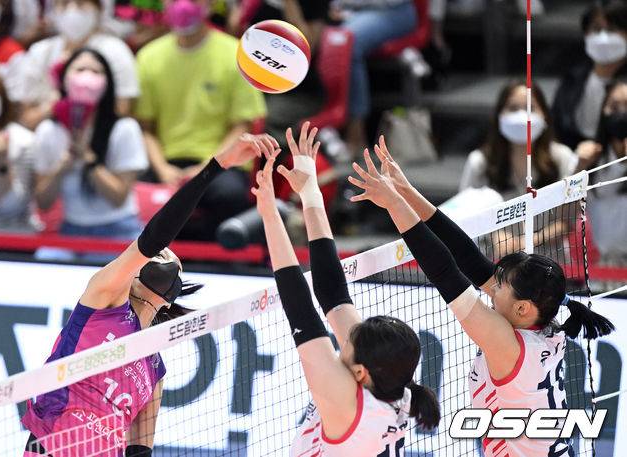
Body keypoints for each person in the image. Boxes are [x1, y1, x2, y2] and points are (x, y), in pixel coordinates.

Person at [348, 137, 615, 457]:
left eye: (500, 286)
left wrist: (394, 205)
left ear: (522, 307)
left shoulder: (508, 344)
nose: (491, 287)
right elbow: (470, 260)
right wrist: (406, 191)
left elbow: (445, 272)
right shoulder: (543, 316)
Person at [21, 129, 277, 455]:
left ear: (170, 294)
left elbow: (140, 450)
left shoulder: (154, 369)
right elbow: (156, 235)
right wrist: (217, 165)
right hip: (52, 447)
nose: (163, 254)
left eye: (170, 258)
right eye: (157, 253)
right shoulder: (104, 299)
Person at [251, 123, 440, 456]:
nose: (344, 335)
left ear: (360, 372)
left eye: (348, 342)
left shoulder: (346, 402)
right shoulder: (393, 385)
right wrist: (310, 191)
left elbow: (301, 310)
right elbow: (333, 292)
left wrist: (269, 214)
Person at [135, 0, 266, 239]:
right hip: (165, 162)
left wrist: (207, 168)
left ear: (211, 4)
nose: (183, 5)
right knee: (131, 193)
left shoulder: (236, 54)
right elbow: (145, 128)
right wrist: (163, 169)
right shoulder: (148, 57)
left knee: (229, 195)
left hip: (221, 163)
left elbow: (242, 126)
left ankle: (216, 258)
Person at [33, 48, 147, 244]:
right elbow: (43, 203)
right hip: (71, 229)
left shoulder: (124, 128)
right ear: (64, 78)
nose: (87, 77)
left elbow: (118, 197)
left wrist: (88, 158)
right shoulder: (48, 130)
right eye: (80, 69)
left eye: (96, 72)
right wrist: (62, 166)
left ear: (107, 83)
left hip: (120, 229)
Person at [14, 0, 139, 127]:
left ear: (99, 9)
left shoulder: (116, 50)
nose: (72, 10)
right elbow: (26, 118)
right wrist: (58, 103)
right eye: (64, 3)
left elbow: (122, 111)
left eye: (81, 3)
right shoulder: (40, 51)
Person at [229, 0, 329, 145]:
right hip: (254, 84)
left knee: (263, 120)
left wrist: (289, 3)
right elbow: (234, 34)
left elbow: (308, 49)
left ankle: (280, 154)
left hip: (297, 92)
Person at [461, 81, 578, 200]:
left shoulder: (562, 157)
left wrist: (580, 167)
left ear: (545, 115)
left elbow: (575, 204)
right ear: (499, 116)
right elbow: (464, 207)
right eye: (513, 108)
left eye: (530, 108)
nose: (522, 117)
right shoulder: (479, 162)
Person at [331, 0, 417, 153]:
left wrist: (344, 5)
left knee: (347, 42)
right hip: (350, 9)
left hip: (392, 10)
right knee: (316, 33)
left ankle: (356, 132)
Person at [553, 1, 627, 151]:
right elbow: (557, 127)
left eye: (612, 29)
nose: (603, 37)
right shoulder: (572, 79)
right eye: (596, 29)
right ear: (586, 34)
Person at [0, 59, 36, 232]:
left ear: (1, 97)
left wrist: (2, 162)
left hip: (11, 237)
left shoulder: (23, 141)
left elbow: (12, 206)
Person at [578, 80, 627, 262]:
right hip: (598, 264)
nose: (622, 112)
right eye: (614, 106)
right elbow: (567, 212)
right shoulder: (590, 157)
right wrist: (579, 166)